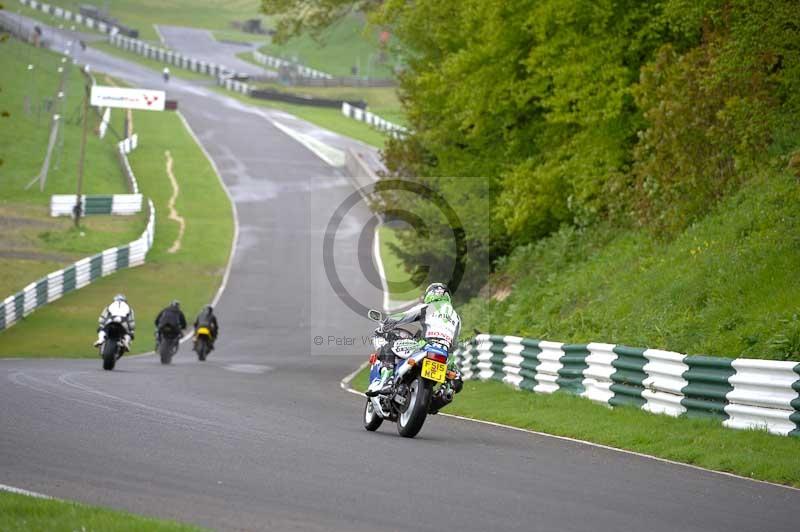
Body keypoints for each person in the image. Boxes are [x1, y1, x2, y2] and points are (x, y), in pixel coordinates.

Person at [367, 282, 461, 396]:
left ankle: (388, 382)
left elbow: (403, 316)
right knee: (457, 379)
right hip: (444, 353)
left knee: (388, 348)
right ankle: (443, 394)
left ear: (431, 294)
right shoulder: (457, 317)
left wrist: (386, 322)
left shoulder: (428, 307)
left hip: (425, 346)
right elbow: (455, 343)